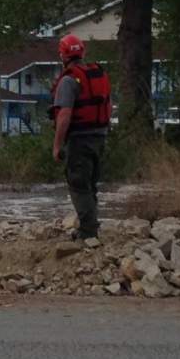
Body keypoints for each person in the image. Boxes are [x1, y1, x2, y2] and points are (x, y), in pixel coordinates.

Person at [50, 34, 112, 240]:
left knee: (78, 184)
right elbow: (109, 106)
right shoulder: (98, 75)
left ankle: (87, 231)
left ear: (63, 55)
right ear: (82, 53)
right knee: (90, 184)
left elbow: (64, 115)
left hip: (79, 140)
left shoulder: (68, 80)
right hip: (100, 138)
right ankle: (91, 226)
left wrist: (57, 146)